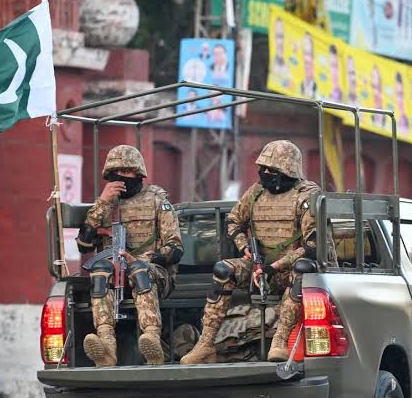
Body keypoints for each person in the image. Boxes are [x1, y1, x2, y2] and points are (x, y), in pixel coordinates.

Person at [180, 140, 331, 365]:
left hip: (291, 268)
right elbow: (233, 221)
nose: (265, 173)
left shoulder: (307, 195)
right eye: (263, 168)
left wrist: (274, 267)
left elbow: (312, 246)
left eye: (272, 169)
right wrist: (245, 247)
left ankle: (280, 341)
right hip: (259, 267)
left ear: (287, 170)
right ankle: (205, 344)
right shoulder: (256, 192)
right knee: (223, 269)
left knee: (303, 269)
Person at [76, 145, 184, 367]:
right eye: (117, 172)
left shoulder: (156, 199)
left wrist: (145, 259)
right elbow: (84, 245)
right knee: (99, 270)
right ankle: (107, 347)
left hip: (154, 274)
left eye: (127, 172)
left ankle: (152, 340)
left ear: (138, 173)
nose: (122, 177)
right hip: (115, 276)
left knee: (138, 269)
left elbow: (175, 249)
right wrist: (102, 203)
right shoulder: (104, 205)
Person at [300, 32, 317, 99]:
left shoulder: (317, 88)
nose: (306, 59)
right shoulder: (299, 85)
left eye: (308, 53)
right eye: (304, 53)